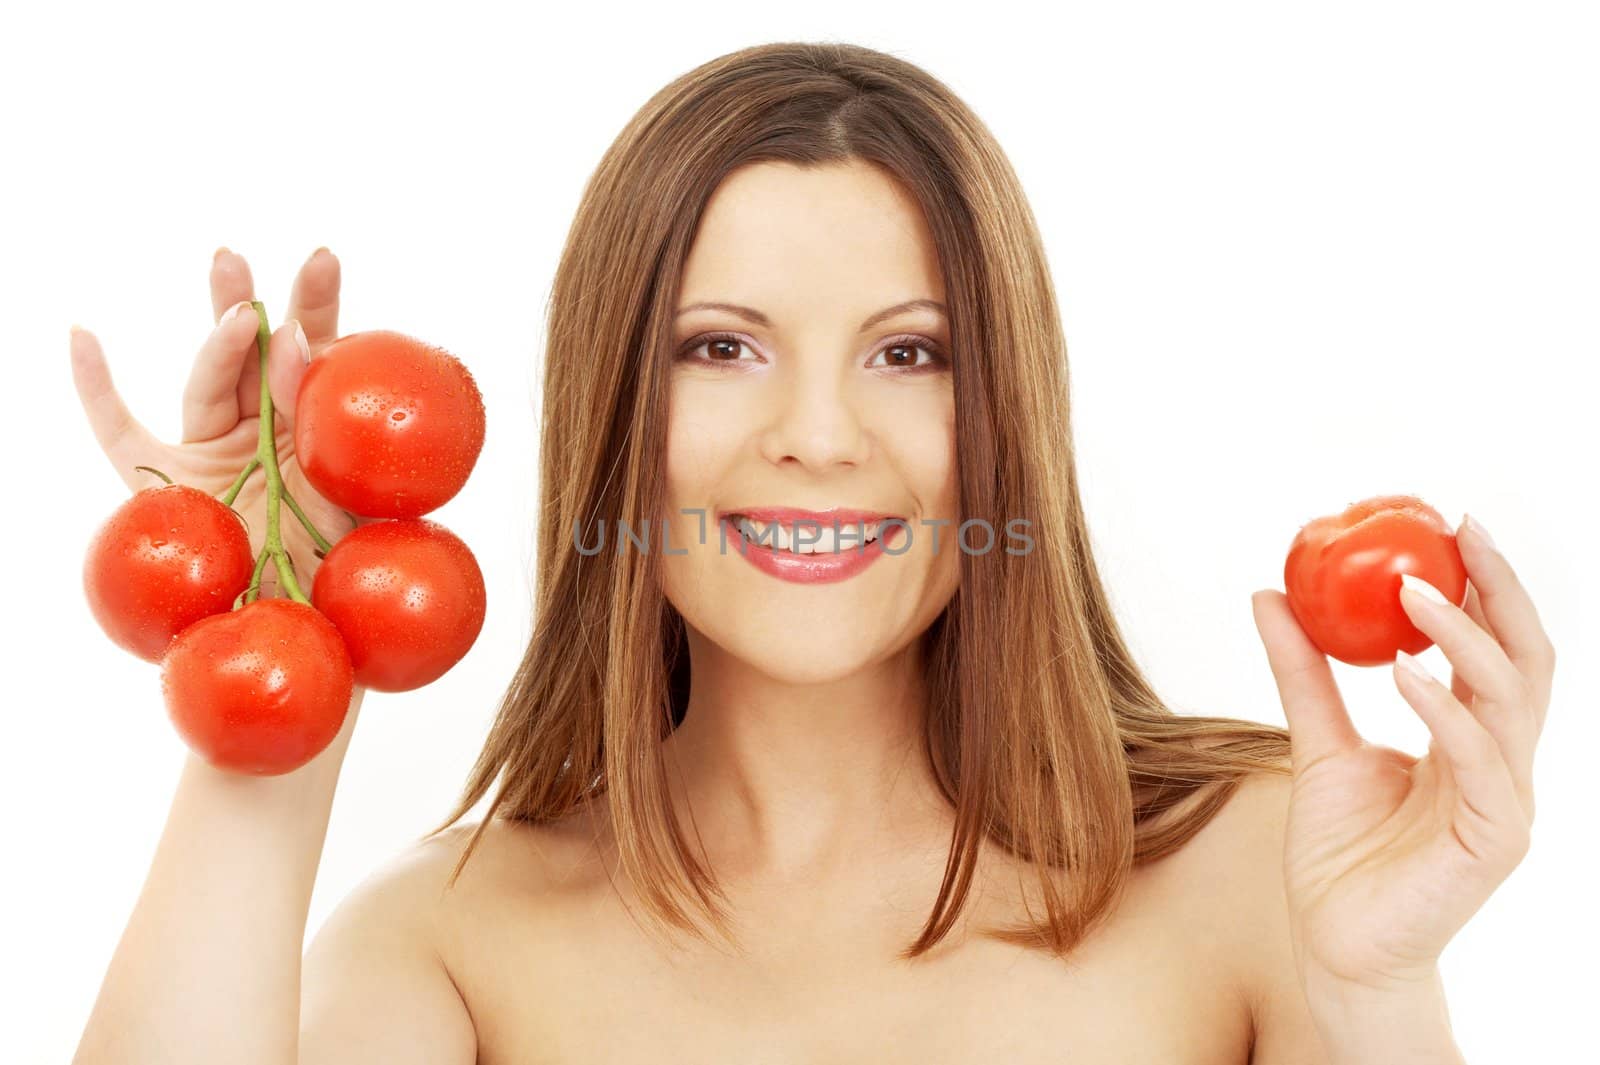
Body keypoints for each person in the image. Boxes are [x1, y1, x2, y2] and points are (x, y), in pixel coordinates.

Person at [69, 41, 1553, 1064]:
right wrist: (278, 647)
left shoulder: (1258, 866)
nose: (819, 435)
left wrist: (1378, 995)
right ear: (611, 411)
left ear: (1008, 422)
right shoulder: (451, 946)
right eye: (722, 347)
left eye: (911, 353)